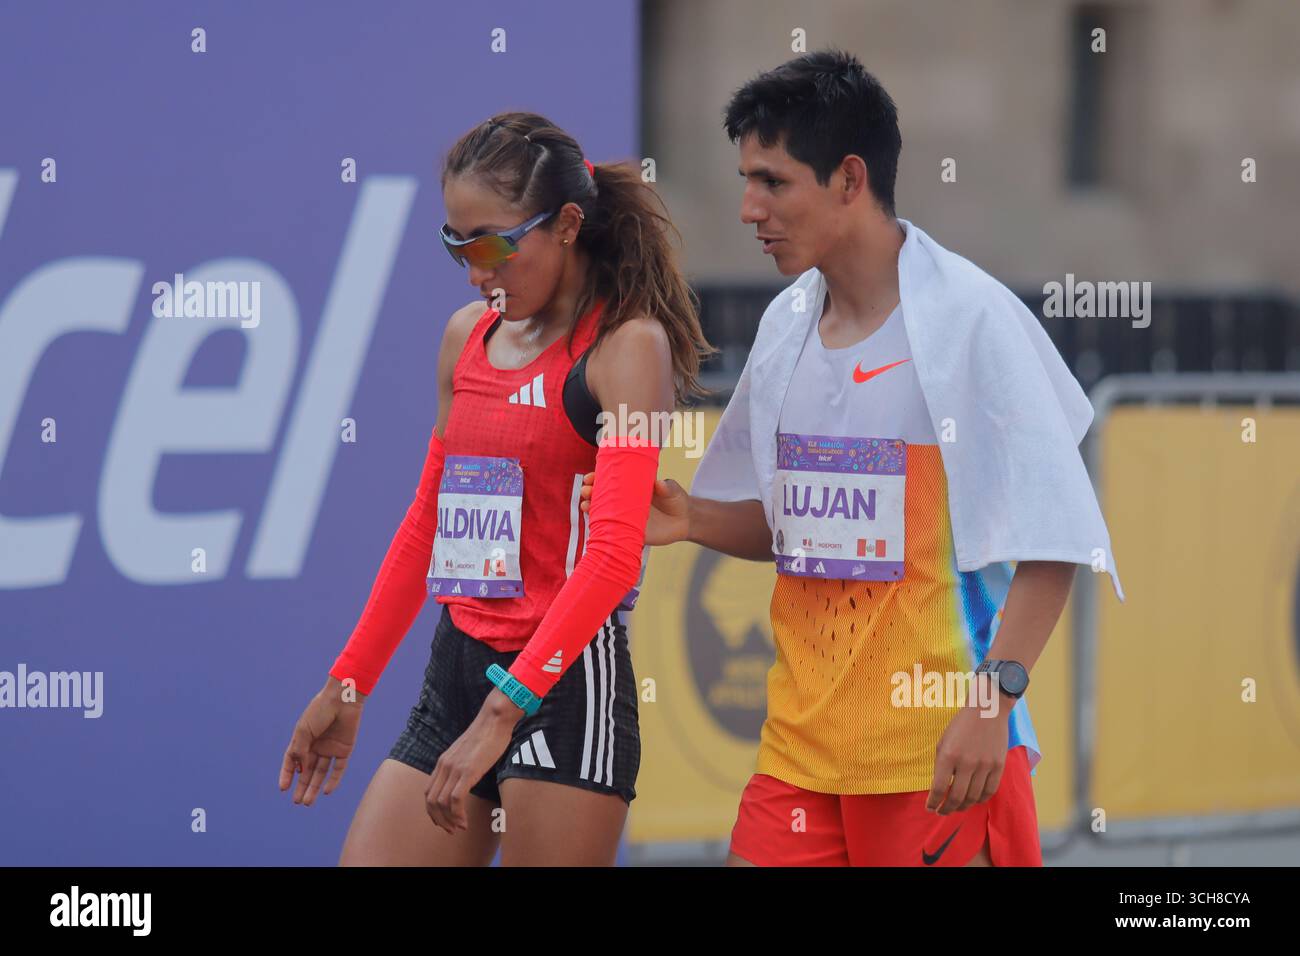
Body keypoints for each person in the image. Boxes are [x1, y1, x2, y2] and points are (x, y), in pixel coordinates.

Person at [582, 50, 1124, 867]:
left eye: (772, 182)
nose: (746, 209)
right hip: (799, 755)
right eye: (744, 180)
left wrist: (993, 700)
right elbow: (790, 527)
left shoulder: (972, 320)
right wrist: (693, 517)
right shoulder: (783, 327)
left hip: (937, 754)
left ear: (848, 178)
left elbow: (1055, 536)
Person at [278, 112, 712, 866]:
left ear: (568, 224)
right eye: (457, 245)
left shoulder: (628, 349)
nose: (477, 273)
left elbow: (612, 561)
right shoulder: (464, 336)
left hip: (564, 686)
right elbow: (426, 527)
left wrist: (501, 715)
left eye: (491, 247)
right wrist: (347, 686)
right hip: (456, 674)